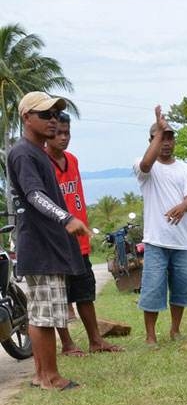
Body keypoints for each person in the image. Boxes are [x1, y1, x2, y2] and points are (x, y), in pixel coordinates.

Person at [8, 92, 91, 390]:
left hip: (44, 246)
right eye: (45, 114)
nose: (53, 120)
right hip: (41, 246)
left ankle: (40, 374)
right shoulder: (24, 153)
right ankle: (50, 377)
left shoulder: (36, 152)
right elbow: (34, 195)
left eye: (56, 114)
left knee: (42, 312)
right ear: (26, 117)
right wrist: (66, 218)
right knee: (45, 314)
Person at [45, 112, 124, 355]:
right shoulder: (42, 163)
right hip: (56, 243)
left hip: (79, 242)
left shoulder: (73, 160)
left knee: (85, 293)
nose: (63, 138)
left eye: (67, 133)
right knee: (60, 296)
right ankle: (67, 344)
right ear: (48, 134)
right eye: (58, 133)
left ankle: (96, 340)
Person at [134, 106, 187, 346]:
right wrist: (158, 130)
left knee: (182, 289)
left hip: (183, 241)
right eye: (162, 137)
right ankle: (150, 335)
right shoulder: (146, 168)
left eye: (170, 137)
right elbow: (145, 164)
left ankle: (175, 330)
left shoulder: (185, 168)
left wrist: (183, 207)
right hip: (156, 240)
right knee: (152, 290)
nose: (167, 142)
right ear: (153, 140)